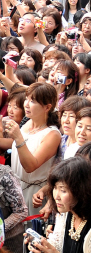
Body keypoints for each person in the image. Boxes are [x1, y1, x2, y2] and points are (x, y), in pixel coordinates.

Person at [29, 157, 91, 253]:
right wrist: (40, 245)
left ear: (81, 191)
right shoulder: (66, 212)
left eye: (63, 190)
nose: (56, 196)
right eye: (55, 188)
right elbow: (55, 245)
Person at [3, 83, 61, 215]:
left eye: (33, 101)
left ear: (47, 107)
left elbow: (30, 166)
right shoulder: (27, 122)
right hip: (15, 188)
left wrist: (18, 138)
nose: (26, 104)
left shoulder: (52, 134)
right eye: (27, 99)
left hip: (33, 193)